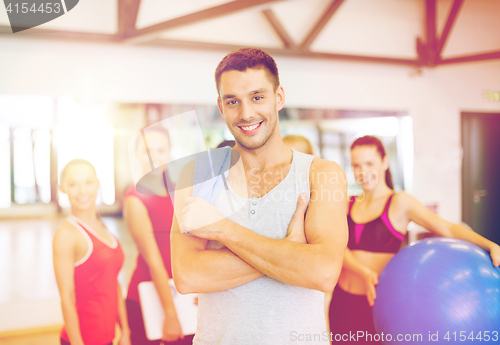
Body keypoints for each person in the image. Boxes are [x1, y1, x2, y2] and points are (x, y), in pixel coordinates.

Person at [170, 47, 348, 345]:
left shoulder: (321, 174)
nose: (246, 113)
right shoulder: (198, 173)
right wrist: (290, 254)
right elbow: (187, 276)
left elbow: (323, 271)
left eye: (257, 97)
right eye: (233, 101)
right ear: (221, 106)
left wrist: (221, 228)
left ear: (279, 97)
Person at [326, 135, 500, 344]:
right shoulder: (348, 202)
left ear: (384, 162)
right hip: (342, 301)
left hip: (376, 305)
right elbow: (335, 245)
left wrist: (488, 244)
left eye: (369, 164)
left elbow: (446, 227)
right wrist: (363, 272)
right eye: (356, 166)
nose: (363, 172)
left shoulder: (399, 202)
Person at [123, 126, 194, 344]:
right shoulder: (135, 198)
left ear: (170, 152)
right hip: (148, 299)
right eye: (147, 151)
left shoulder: (180, 190)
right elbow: (153, 261)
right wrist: (170, 314)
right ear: (137, 155)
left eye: (160, 150)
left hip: (183, 293)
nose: (154, 158)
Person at [53, 159, 130, 345]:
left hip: (108, 338)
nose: (82, 191)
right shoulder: (66, 234)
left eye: (88, 182)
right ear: (62, 188)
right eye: (73, 184)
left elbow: (113, 282)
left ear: (97, 184)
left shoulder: (101, 225)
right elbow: (67, 298)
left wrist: (126, 331)